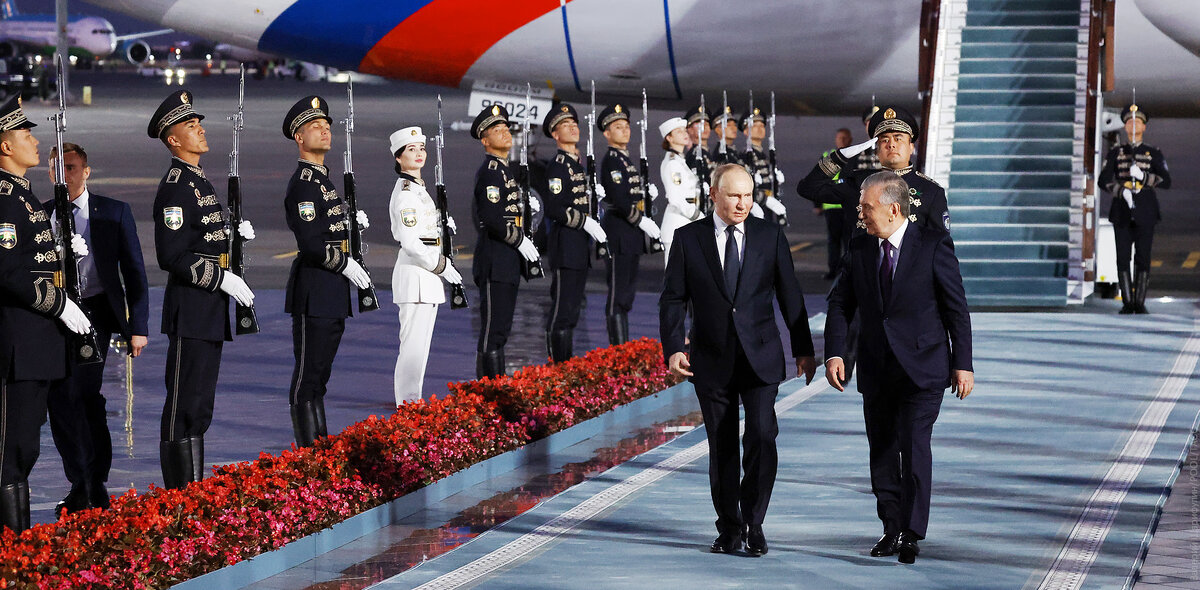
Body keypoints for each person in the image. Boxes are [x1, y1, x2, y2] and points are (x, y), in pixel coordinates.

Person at [660, 163, 817, 556]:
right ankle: (729, 528)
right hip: (710, 359)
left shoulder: (769, 236)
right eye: (734, 195)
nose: (743, 203)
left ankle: (755, 522)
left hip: (761, 357)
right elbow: (673, 298)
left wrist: (803, 349)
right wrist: (674, 348)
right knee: (723, 446)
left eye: (748, 195)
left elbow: (790, 294)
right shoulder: (688, 238)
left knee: (763, 437)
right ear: (713, 195)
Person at [824, 171, 973, 564]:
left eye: (866, 207)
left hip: (923, 368)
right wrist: (836, 353)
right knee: (883, 452)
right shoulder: (859, 246)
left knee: (914, 444)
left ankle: (911, 531)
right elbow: (840, 303)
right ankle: (890, 527)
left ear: (892, 209)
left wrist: (964, 364)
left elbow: (956, 308)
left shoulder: (933, 244)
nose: (860, 213)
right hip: (876, 367)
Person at [149, 90, 256, 488]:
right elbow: (172, 255)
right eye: (191, 127)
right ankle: (178, 499)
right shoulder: (176, 186)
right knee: (182, 405)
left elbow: (203, 239)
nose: (200, 130)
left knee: (200, 408)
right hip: (191, 307)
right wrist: (221, 277)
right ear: (174, 139)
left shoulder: (199, 181)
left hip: (208, 310)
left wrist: (232, 242)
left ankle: (193, 493)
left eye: (199, 124)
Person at [0, 95, 92, 531]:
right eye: (25, 134)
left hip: (37, 345)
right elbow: (9, 273)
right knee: (11, 451)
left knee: (25, 451)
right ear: (4, 146)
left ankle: (16, 546)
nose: (34, 141)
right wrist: (59, 303)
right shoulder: (4, 200)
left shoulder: (25, 197)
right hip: (17, 343)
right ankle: (10, 549)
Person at [43, 143, 149, 516]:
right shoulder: (42, 216)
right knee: (59, 400)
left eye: (71, 168)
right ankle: (80, 481)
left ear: (86, 172)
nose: (65, 175)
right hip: (55, 316)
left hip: (97, 315)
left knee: (85, 395)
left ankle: (94, 480)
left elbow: (134, 272)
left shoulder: (113, 213)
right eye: (58, 169)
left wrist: (138, 326)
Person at [281, 96, 372, 446]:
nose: (325, 130)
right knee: (307, 378)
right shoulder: (304, 183)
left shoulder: (323, 181)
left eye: (327, 126)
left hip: (331, 292)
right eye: (316, 127)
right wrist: (346, 263)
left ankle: (320, 446)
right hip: (315, 290)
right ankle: (309, 451)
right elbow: (311, 243)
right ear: (299, 138)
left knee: (321, 376)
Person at [797, 105, 950, 241]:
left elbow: (940, 247)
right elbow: (808, 188)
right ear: (877, 149)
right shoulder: (859, 182)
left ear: (911, 146)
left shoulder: (930, 191)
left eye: (898, 139)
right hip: (862, 270)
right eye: (884, 140)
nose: (891, 145)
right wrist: (840, 157)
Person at [388, 125, 463, 401]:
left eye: (421, 148)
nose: (419, 153)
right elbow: (410, 241)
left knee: (420, 351)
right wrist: (442, 265)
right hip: (417, 276)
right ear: (398, 157)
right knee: (413, 351)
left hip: (425, 276)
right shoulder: (407, 192)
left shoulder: (419, 189)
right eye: (411, 149)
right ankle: (407, 405)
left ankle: (412, 402)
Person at [471, 105, 540, 378]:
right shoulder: (489, 171)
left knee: (502, 329)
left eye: (506, 128)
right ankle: (487, 391)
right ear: (485, 141)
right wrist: (519, 240)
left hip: (507, 260)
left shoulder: (505, 171)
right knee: (493, 330)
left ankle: (495, 386)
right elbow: (490, 217)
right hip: (495, 258)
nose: (505, 133)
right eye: (496, 130)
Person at [541, 103, 607, 362]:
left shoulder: (578, 165)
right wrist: (585, 222)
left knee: (573, 310)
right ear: (555, 135)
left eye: (574, 124)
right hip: (566, 244)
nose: (573, 128)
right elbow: (555, 208)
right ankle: (558, 367)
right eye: (565, 125)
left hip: (579, 247)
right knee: (562, 309)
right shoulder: (558, 166)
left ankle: (566, 364)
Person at [1098, 102, 1170, 314]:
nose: (1133, 125)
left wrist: (1144, 178)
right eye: (1129, 122)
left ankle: (1139, 302)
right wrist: (1122, 192)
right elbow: (1104, 181)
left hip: (1146, 210)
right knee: (1122, 257)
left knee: (1143, 257)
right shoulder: (1116, 153)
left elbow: (1166, 181)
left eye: (1137, 122)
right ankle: (1127, 303)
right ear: (1125, 126)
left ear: (1144, 127)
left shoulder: (1153, 153)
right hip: (1122, 210)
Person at [599, 103, 660, 345]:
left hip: (630, 234)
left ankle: (623, 346)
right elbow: (619, 198)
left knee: (626, 294)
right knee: (617, 293)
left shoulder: (625, 160)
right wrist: (641, 220)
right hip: (618, 232)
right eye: (618, 127)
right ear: (607, 134)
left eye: (626, 126)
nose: (625, 131)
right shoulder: (612, 161)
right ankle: (617, 348)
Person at [657, 116, 701, 266]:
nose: (684, 133)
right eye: (678, 131)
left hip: (685, 223)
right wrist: (696, 215)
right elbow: (675, 197)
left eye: (684, 130)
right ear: (669, 137)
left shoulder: (680, 161)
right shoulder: (672, 163)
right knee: (675, 278)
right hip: (678, 223)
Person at [741, 107, 787, 225]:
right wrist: (765, 200)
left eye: (762, 125)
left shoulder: (764, 155)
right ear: (746, 131)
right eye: (755, 126)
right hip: (757, 205)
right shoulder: (746, 156)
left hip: (768, 205)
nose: (760, 129)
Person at [816, 128, 852, 279]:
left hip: (849, 207)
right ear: (836, 140)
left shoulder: (855, 157)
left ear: (850, 140)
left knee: (849, 241)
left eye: (845, 138)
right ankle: (834, 270)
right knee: (833, 241)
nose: (842, 141)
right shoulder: (828, 157)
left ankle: (848, 271)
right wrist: (817, 204)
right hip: (832, 207)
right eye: (840, 138)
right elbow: (818, 181)